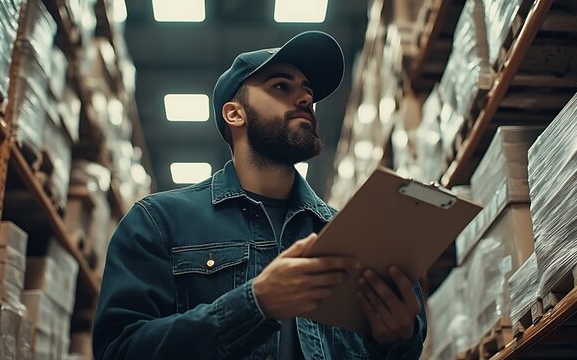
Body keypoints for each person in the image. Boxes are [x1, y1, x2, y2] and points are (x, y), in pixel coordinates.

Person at [93, 31, 427, 359]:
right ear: (234, 113)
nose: (305, 99)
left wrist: (399, 340)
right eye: (282, 86)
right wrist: (255, 304)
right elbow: (119, 349)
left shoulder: (351, 236)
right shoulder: (159, 222)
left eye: (308, 93)